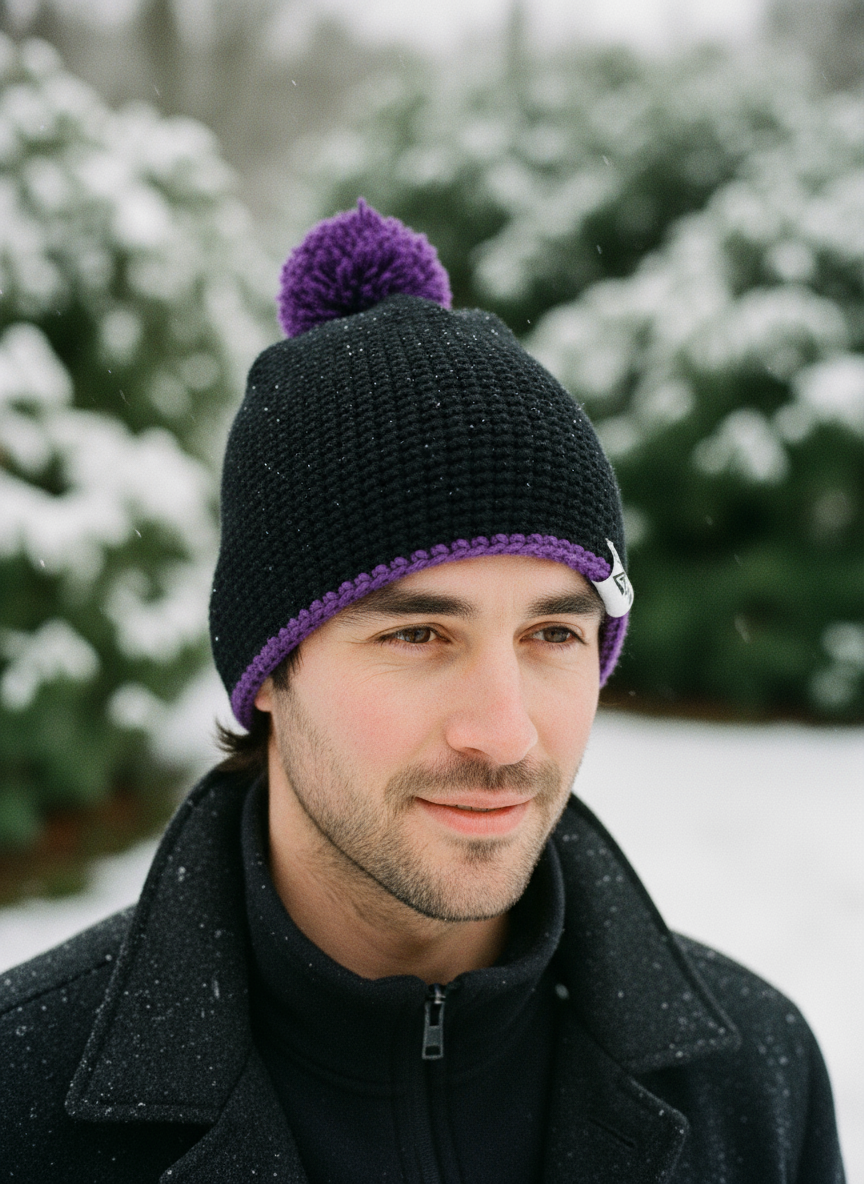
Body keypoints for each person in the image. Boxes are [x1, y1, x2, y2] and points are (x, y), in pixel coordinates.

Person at [0, 201, 844, 1183]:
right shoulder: (24, 1104)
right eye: (418, 632)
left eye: (553, 633)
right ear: (272, 666)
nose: (502, 728)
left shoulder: (751, 1080)